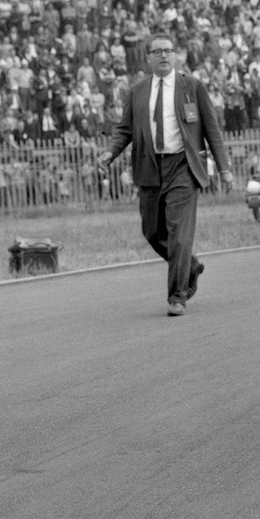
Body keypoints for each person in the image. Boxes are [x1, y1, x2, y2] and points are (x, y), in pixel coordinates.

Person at [99, 32, 235, 316]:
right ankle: (191, 267)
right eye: (157, 51)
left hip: (183, 167)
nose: (164, 55)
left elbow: (211, 129)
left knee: (179, 234)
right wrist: (110, 152)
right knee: (152, 231)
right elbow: (125, 130)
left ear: (175, 55)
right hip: (149, 167)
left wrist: (224, 169)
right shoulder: (137, 91)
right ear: (148, 57)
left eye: (168, 51)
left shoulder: (192, 86)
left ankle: (177, 296)